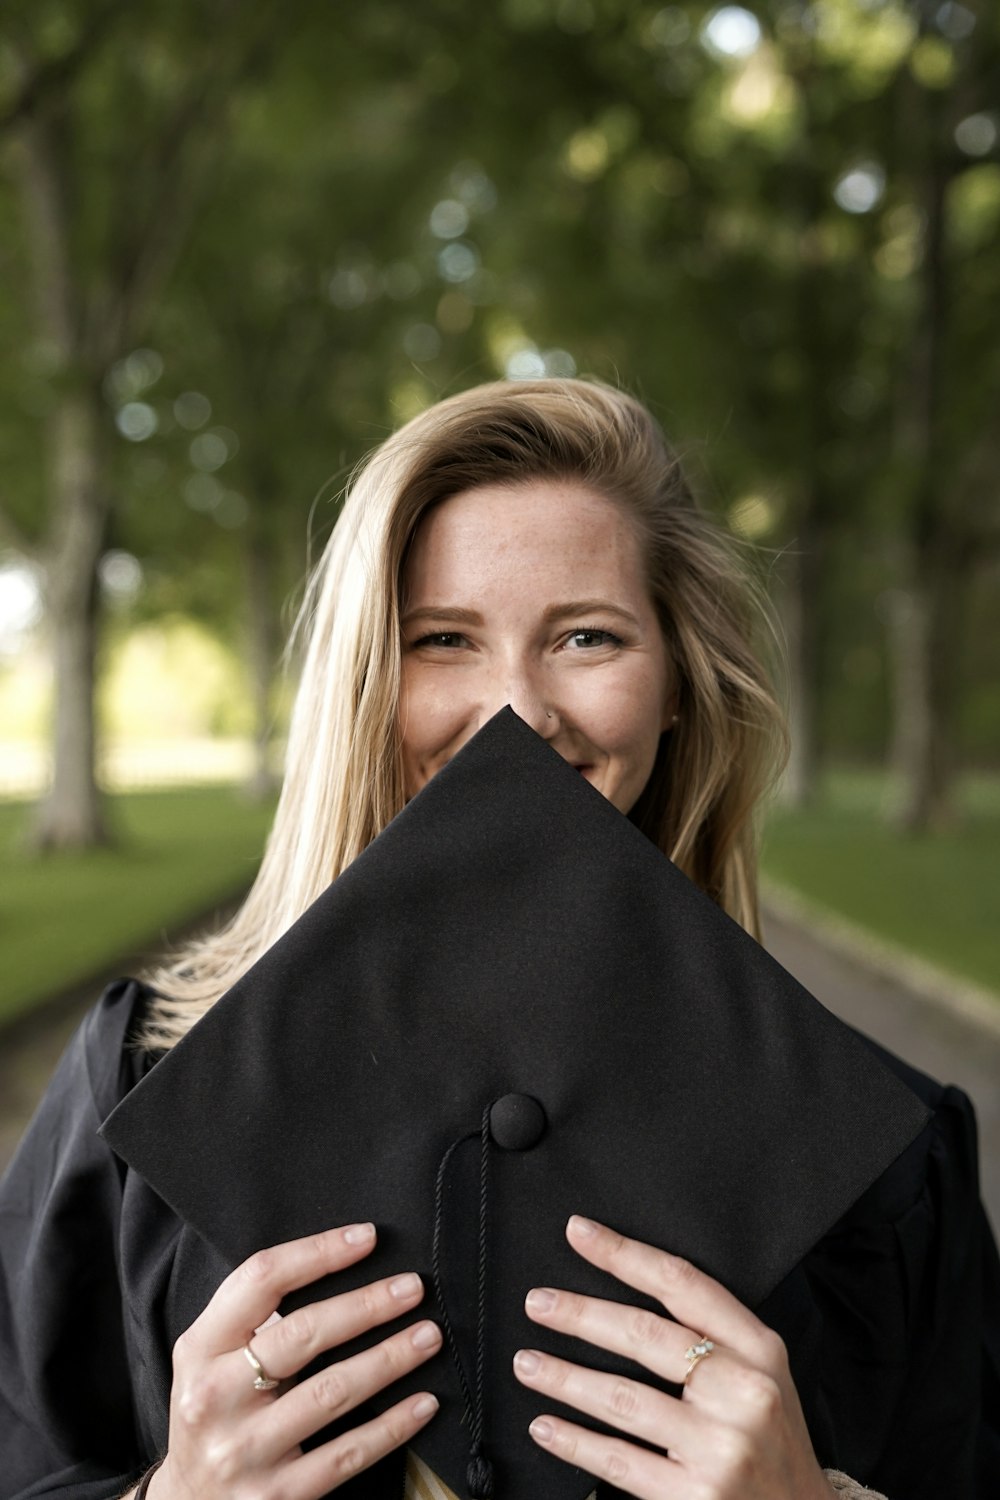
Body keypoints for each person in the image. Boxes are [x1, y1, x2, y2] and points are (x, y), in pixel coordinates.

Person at [1, 378, 997, 1500]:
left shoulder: (882, 1162)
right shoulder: (138, 1087)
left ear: (675, 685)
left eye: (586, 635)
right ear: (365, 685)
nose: (519, 713)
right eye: (442, 640)